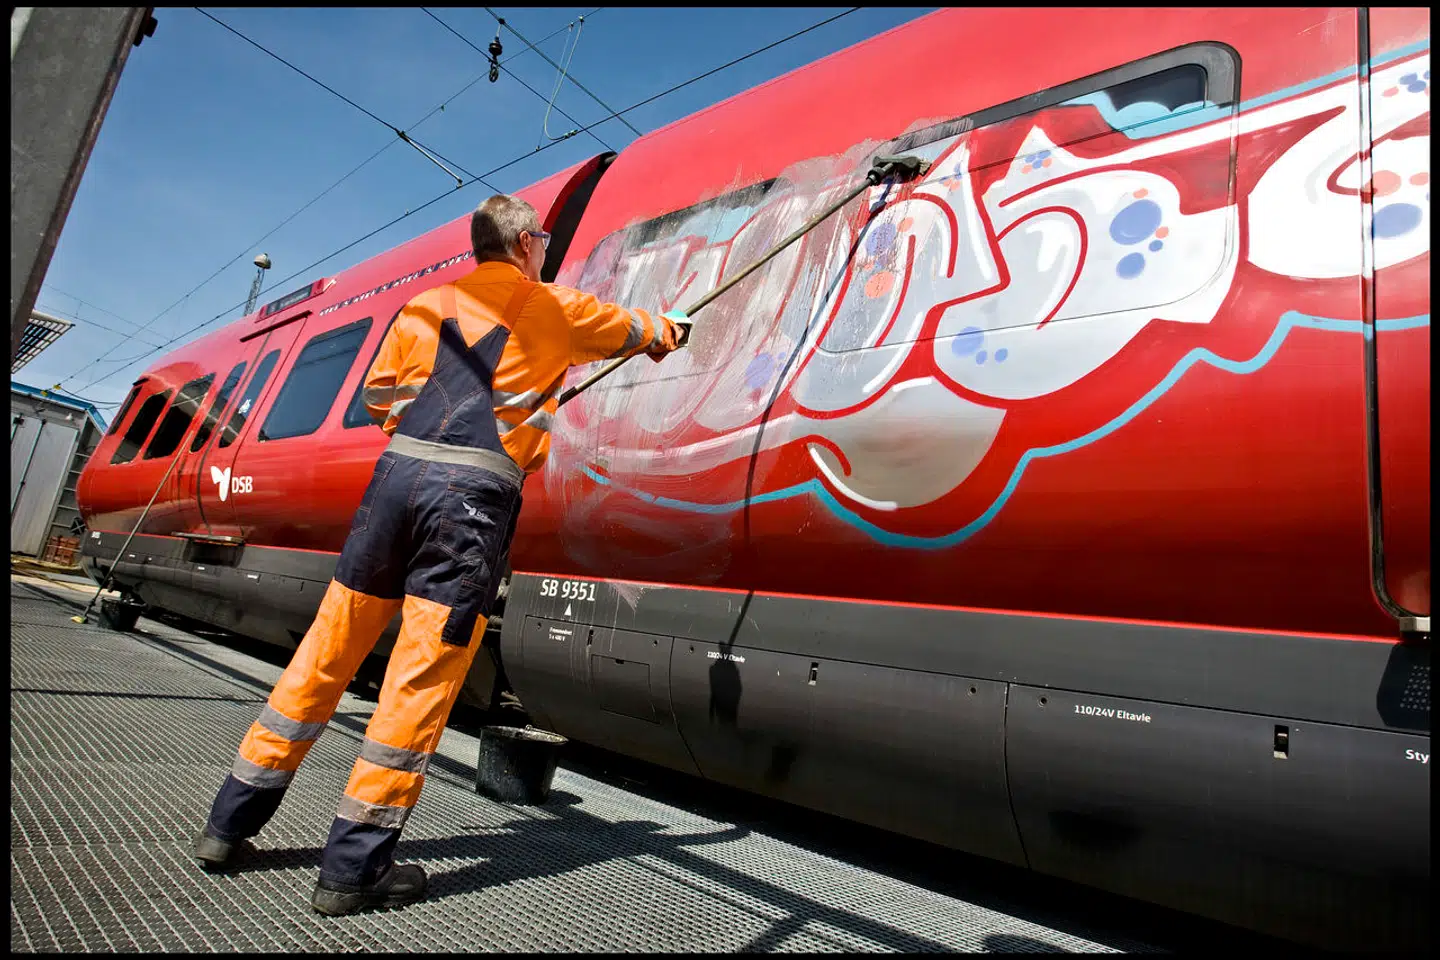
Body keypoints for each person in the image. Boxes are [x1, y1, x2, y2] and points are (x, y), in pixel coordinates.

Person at [192, 194, 686, 915]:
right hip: (470, 503)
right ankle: (352, 869)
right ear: (525, 244)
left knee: (325, 652)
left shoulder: (423, 307)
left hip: (392, 487)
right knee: (420, 676)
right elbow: (635, 329)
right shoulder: (553, 306)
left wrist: (427, 434)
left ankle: (227, 827)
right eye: (543, 240)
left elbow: (379, 398)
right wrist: (670, 329)